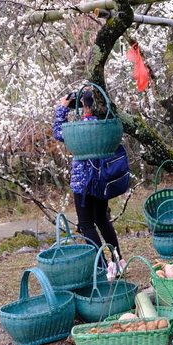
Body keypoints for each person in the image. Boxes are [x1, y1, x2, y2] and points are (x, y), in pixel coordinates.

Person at [53, 89, 124, 267]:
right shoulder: (107, 124)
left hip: (83, 182)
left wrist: (63, 108)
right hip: (102, 179)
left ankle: (102, 266)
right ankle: (118, 261)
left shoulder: (80, 129)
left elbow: (58, 132)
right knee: (101, 219)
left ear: (84, 106)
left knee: (86, 224)